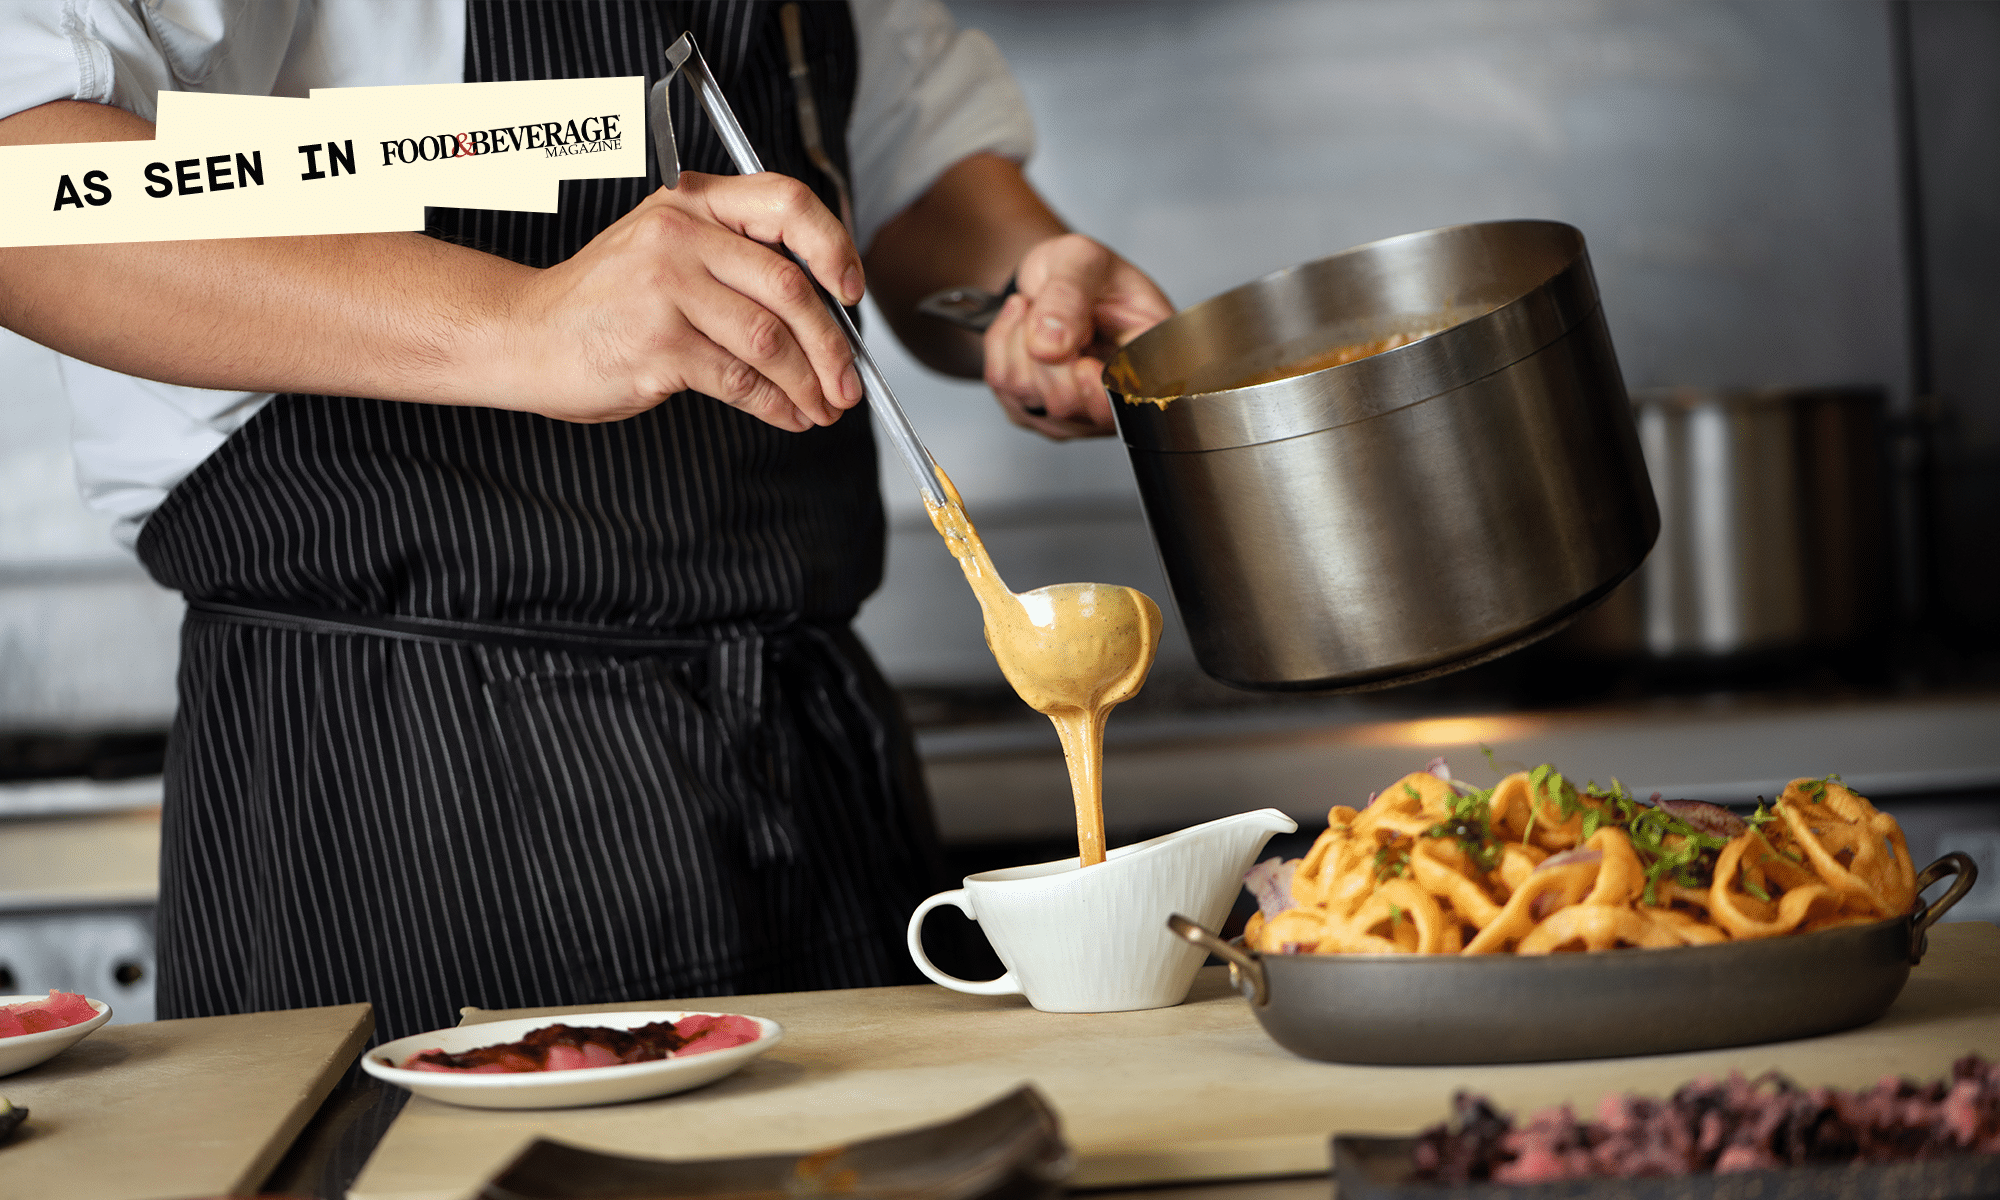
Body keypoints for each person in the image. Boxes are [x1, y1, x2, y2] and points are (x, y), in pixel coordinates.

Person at [0, 0, 1172, 1042]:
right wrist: (522, 322)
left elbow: (897, 156)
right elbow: (25, 185)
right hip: (410, 780)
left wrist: (1029, 289)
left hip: (810, 758)